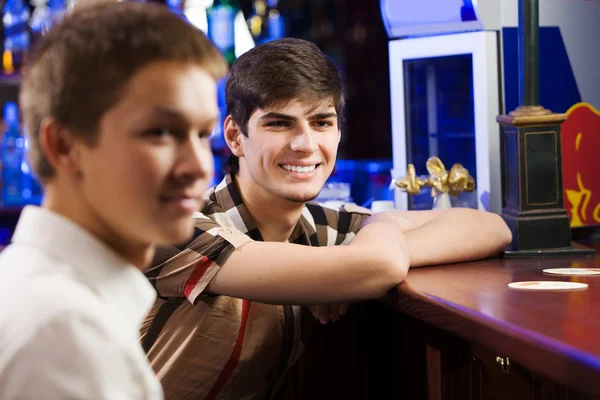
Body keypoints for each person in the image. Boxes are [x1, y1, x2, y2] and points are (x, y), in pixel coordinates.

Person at [141, 38, 512, 400]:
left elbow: (489, 227)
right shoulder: (176, 226)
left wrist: (369, 242)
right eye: (279, 124)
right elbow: (381, 263)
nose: (305, 144)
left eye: (321, 123)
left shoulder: (314, 227)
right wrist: (364, 254)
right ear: (236, 137)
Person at [0, 2, 227, 399]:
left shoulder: (47, 294)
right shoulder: (65, 334)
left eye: (203, 135)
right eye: (160, 132)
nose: (198, 167)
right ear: (65, 146)